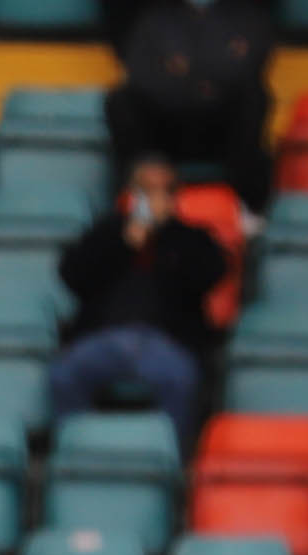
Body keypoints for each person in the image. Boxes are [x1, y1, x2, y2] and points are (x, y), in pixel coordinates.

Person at [48, 155, 226, 455]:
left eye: (164, 190)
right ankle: (73, 459)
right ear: (131, 194)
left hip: (165, 343)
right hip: (103, 339)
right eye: (146, 190)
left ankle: (173, 466)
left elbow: (212, 274)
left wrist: (167, 238)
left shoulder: (190, 237)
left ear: (174, 196)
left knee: (182, 382)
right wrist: (123, 243)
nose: (155, 198)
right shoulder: (106, 232)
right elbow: (71, 274)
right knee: (63, 376)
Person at [103, 0, 274, 215]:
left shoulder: (249, 17)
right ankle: (142, 198)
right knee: (121, 100)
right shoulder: (154, 17)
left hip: (223, 125)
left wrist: (184, 69)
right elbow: (141, 73)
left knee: (254, 98)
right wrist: (204, 79)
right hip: (167, 124)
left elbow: (250, 66)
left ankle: (247, 210)